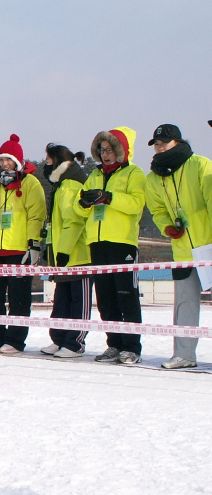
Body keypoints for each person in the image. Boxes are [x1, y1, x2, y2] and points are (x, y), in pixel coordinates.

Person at [75, 127, 146, 364]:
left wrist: (109, 197)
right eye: (102, 150)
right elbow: (80, 207)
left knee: (126, 296)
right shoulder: (94, 174)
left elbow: (136, 204)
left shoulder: (134, 173)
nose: (105, 154)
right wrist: (83, 203)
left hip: (122, 242)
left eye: (110, 149)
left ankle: (132, 347)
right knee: (105, 298)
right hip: (97, 242)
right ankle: (114, 344)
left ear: (121, 150)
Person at [144, 124, 212, 368]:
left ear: (177, 142)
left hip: (209, 247)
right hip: (182, 249)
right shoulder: (153, 178)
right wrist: (166, 227)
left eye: (164, 142)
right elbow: (157, 210)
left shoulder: (200, 165)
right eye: (157, 144)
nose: (160, 147)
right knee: (184, 303)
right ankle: (184, 354)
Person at [0, 134, 46, 354]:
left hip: (19, 248)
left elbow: (37, 215)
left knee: (18, 298)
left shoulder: (30, 183)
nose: (5, 164)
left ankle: (15, 340)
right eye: (1, 160)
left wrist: (33, 244)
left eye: (9, 160)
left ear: (17, 161)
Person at [40, 144, 93, 358]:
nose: (45, 162)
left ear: (58, 161)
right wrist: (51, 251)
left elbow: (75, 221)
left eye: (48, 158)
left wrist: (63, 251)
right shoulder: (60, 186)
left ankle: (75, 343)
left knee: (78, 301)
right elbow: (58, 224)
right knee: (61, 300)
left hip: (77, 256)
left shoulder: (70, 186)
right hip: (62, 257)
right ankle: (59, 338)